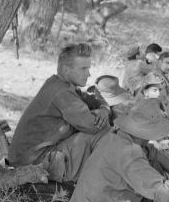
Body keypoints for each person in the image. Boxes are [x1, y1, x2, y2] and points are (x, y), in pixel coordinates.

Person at [9, 43, 111, 182]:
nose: (88, 74)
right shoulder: (61, 91)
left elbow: (91, 99)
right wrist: (102, 113)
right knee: (103, 132)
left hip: (31, 158)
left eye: (88, 68)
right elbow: (93, 126)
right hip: (34, 163)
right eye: (83, 69)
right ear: (65, 69)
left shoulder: (59, 83)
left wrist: (104, 109)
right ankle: (104, 182)